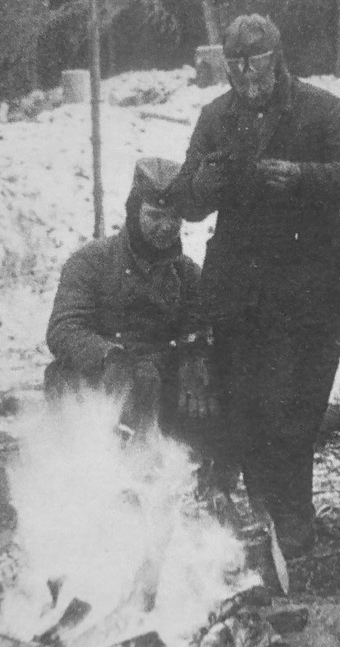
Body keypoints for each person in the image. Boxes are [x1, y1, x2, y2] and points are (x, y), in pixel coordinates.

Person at [169, 14, 340, 557]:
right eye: (234, 64)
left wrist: (306, 178)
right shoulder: (216, 116)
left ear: (277, 58)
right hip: (238, 290)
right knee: (247, 403)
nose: (245, 73)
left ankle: (294, 513)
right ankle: (265, 515)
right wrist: (201, 186)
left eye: (255, 62)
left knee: (297, 406)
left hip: (306, 287)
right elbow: (187, 201)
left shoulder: (320, 108)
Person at [45, 157, 215, 449]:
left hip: (156, 379)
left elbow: (199, 328)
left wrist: (194, 358)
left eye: (174, 218)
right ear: (133, 213)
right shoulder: (91, 261)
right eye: (154, 215)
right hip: (99, 379)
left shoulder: (186, 273)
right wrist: (107, 357)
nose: (166, 227)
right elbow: (64, 328)